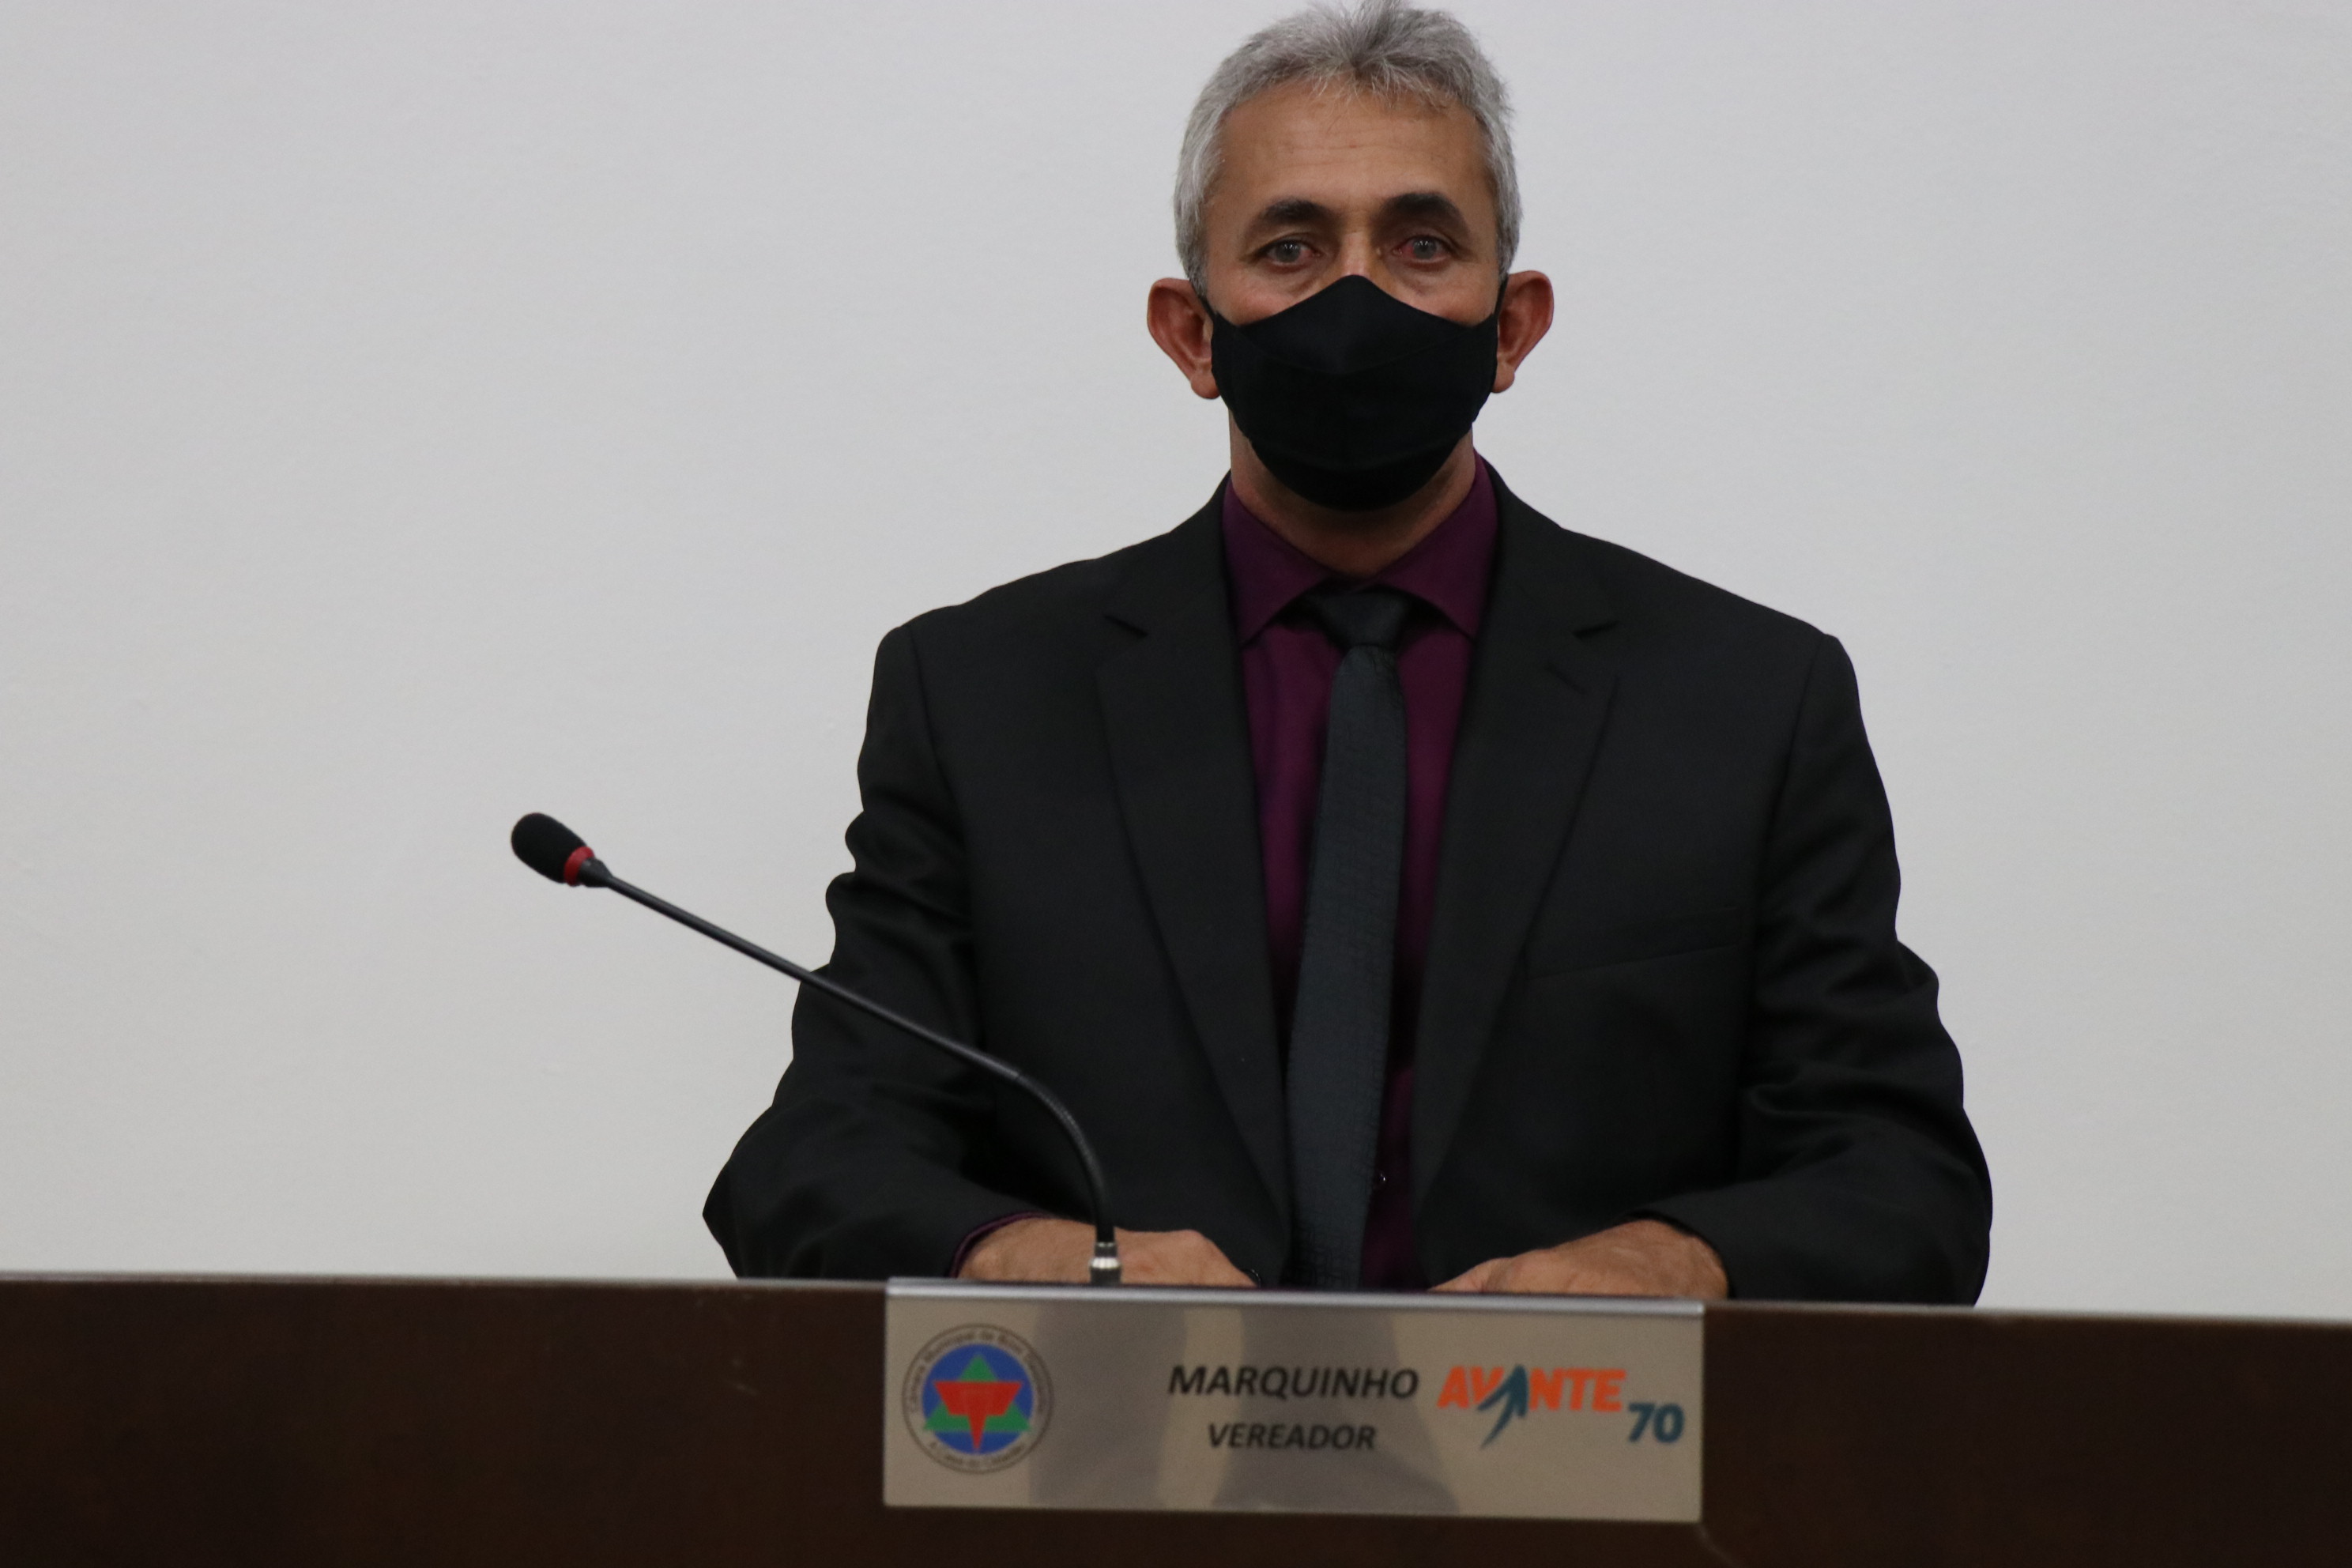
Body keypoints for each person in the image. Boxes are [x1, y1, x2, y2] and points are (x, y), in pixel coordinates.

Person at [704, 0, 1991, 1302]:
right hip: (1125, 1428)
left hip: (1563, 1424)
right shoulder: (981, 698)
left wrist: (1673, 1263)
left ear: (1512, 325)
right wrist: (1034, 1259)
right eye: (1292, 248)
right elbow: (816, 1159)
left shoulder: (1747, 704)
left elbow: (1905, 1181)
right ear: (1193, 333)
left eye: (1423, 244)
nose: (1356, 297)